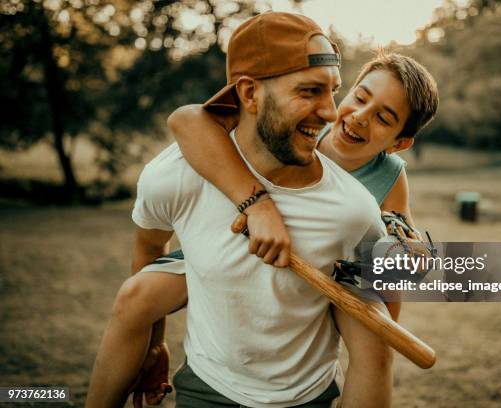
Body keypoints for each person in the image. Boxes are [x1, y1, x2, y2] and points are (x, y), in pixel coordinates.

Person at [87, 11, 402, 408]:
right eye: (309, 91)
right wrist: (154, 342)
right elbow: (149, 252)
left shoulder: (353, 211)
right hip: (206, 390)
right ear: (249, 94)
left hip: (306, 399)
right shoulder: (175, 176)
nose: (331, 112)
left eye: (332, 91)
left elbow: (378, 327)